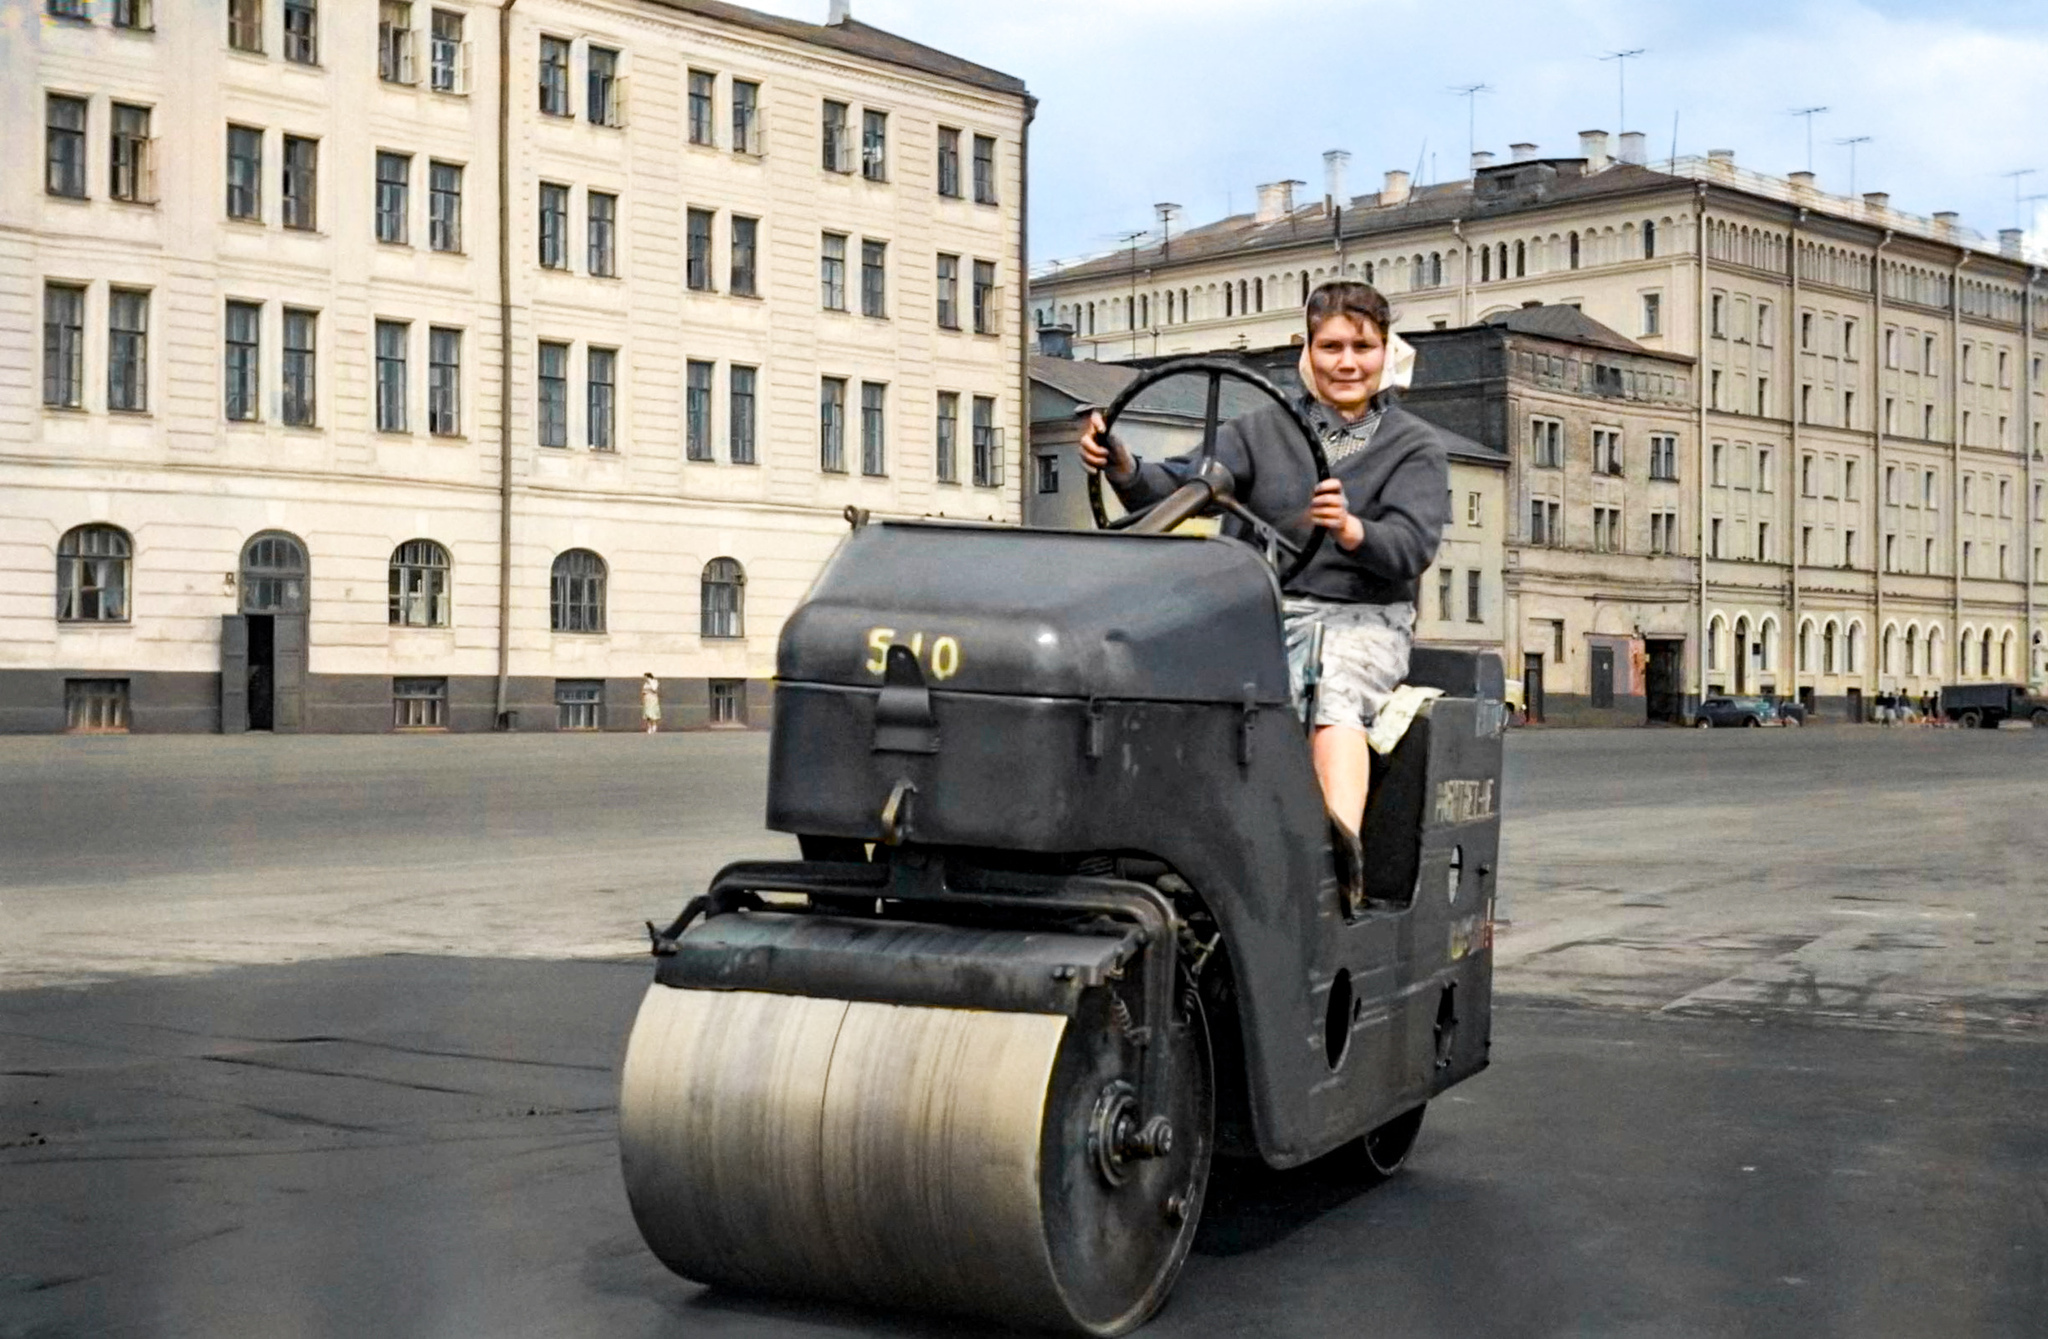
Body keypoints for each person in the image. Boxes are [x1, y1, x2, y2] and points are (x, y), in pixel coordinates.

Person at [1080, 280, 1449, 887]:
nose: (1348, 362)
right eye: (1331, 346)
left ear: (1387, 352)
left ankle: (1332, 865)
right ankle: (1169, 853)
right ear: (1306, 351)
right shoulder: (1261, 430)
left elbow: (1412, 550)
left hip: (1362, 616)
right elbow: (1181, 483)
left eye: (1363, 346)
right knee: (1173, 684)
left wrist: (1353, 530)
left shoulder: (1414, 447)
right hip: (1262, 610)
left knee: (1334, 688)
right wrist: (1123, 464)